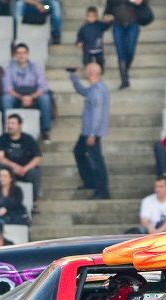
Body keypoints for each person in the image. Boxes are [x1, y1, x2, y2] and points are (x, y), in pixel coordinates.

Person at [70, 62, 110, 199]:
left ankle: (102, 189)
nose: (85, 71)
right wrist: (73, 77)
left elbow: (97, 114)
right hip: (88, 131)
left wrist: (92, 134)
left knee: (96, 159)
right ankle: (90, 181)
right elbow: (83, 91)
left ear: (91, 72)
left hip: (91, 132)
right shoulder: (95, 88)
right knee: (79, 152)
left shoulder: (97, 90)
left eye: (87, 69)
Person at [2, 43, 53, 140]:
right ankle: (8, 128)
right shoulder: (9, 68)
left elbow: (43, 86)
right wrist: (22, 97)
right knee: (6, 98)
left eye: (24, 53)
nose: (21, 55)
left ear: (28, 54)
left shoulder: (36, 67)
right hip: (17, 95)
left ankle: (45, 130)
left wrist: (31, 97)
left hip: (33, 94)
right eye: (19, 53)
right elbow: (7, 87)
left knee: (45, 98)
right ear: (15, 55)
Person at [0, 113, 43, 202]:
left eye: (12, 123)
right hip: (9, 170)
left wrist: (25, 169)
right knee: (1, 171)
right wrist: (14, 167)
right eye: (8, 123)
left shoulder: (29, 139)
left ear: (20, 125)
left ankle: (34, 200)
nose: (9, 126)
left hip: (25, 170)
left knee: (34, 172)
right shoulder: (2, 139)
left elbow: (38, 158)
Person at [103, 0, 143, 90]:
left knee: (130, 49)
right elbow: (107, 11)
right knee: (120, 52)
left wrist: (141, 2)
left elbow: (143, 4)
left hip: (133, 23)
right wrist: (107, 17)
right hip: (117, 25)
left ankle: (125, 70)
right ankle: (124, 80)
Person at [76, 6, 109, 71]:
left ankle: (100, 71)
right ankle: (88, 72)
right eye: (89, 16)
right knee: (86, 61)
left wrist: (108, 21)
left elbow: (107, 26)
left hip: (98, 48)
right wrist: (79, 41)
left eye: (93, 16)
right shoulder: (84, 27)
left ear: (97, 16)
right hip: (87, 48)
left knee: (100, 61)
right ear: (86, 17)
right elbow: (80, 35)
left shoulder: (100, 25)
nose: (91, 18)